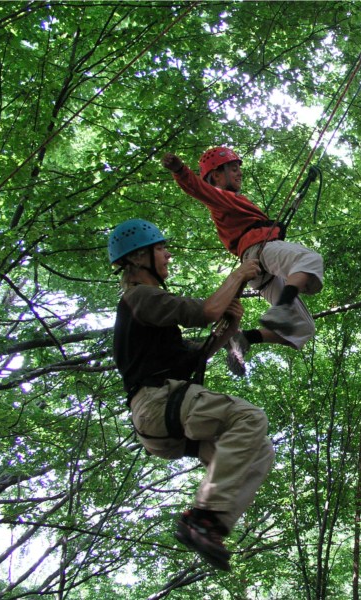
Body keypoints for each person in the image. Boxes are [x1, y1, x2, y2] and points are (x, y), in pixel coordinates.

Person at [108, 218, 274, 571]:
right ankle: (203, 516)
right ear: (139, 258)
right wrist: (239, 275)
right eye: (160, 249)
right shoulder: (140, 297)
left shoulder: (150, 313)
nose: (167, 255)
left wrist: (227, 329)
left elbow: (192, 354)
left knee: (260, 451)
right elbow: (205, 311)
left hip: (160, 426)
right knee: (249, 417)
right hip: (157, 403)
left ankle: (210, 527)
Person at [161, 147, 324, 377]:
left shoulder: (235, 202)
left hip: (258, 269)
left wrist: (274, 228)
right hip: (259, 251)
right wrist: (180, 170)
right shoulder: (221, 199)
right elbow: (198, 189)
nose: (239, 174)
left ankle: (245, 338)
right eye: (233, 169)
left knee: (304, 328)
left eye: (239, 169)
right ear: (216, 175)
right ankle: (283, 308)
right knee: (309, 258)